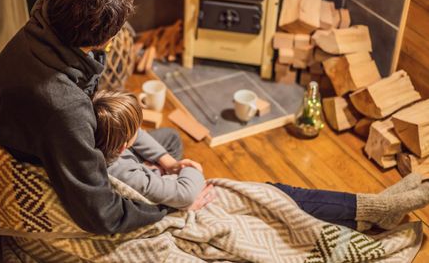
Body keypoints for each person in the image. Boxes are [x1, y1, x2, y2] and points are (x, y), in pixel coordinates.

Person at [0, 0, 211, 235]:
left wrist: (165, 162)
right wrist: (168, 211)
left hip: (50, 131)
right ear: (105, 38)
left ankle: (154, 170)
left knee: (169, 140)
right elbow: (101, 215)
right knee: (158, 163)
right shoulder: (64, 107)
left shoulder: (45, 21)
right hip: (42, 156)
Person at [92, 89, 429, 232]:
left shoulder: (103, 141)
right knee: (276, 197)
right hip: (188, 200)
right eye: (135, 130)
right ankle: (375, 209)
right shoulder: (124, 172)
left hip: (159, 182)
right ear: (122, 143)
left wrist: (166, 161)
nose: (141, 133)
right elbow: (185, 195)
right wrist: (192, 171)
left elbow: (152, 142)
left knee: (171, 139)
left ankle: (376, 211)